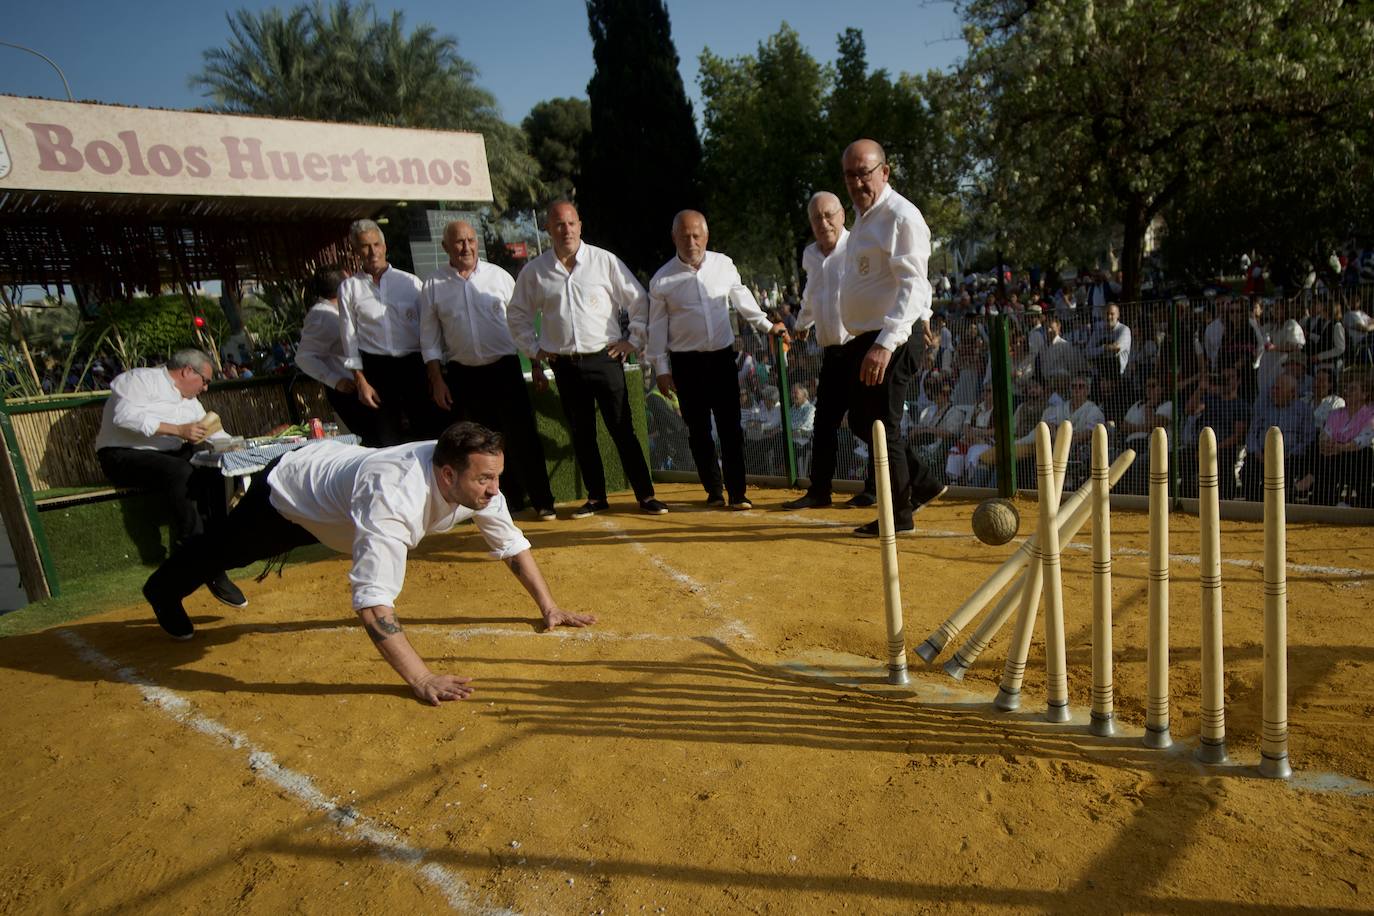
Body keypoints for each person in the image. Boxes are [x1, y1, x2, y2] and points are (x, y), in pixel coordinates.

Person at [141, 422, 596, 704]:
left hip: (341, 500)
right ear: (447, 475)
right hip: (291, 494)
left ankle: (203, 566)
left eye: (497, 476)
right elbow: (373, 603)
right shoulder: (395, 497)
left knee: (226, 551)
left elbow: (512, 546)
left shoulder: (480, 487)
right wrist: (421, 678)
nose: (496, 489)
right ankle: (162, 589)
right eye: (485, 478)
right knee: (225, 550)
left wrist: (549, 606)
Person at [507, 201, 668, 517]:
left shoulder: (603, 261)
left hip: (605, 358)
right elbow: (517, 314)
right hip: (564, 364)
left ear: (580, 225)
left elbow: (637, 300)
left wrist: (632, 341)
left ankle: (646, 495)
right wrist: (534, 349)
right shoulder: (535, 272)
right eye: (558, 224)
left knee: (622, 428)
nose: (565, 230)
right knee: (582, 433)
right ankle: (596, 497)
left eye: (570, 223)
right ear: (548, 229)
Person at [836, 139, 945, 537]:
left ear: (885, 171)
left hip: (890, 336)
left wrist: (887, 341)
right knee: (864, 422)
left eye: (864, 172)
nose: (857, 182)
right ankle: (924, 483)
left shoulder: (901, 216)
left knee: (883, 424)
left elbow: (913, 283)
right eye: (850, 174)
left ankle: (899, 515)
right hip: (867, 336)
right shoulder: (864, 218)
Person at [646, 210, 788, 509]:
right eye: (685, 235)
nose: (691, 241)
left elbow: (743, 301)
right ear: (674, 237)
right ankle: (713, 490)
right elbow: (656, 328)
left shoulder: (724, 265)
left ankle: (738, 492)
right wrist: (660, 368)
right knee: (698, 431)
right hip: (686, 363)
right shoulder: (662, 280)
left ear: (706, 236)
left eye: (697, 235)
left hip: (722, 358)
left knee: (731, 427)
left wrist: (767, 326)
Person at [420, 220, 556, 520]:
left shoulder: (500, 277)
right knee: (477, 447)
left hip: (504, 369)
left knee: (522, 437)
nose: (466, 247)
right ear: (446, 247)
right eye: (458, 242)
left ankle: (543, 501)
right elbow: (429, 339)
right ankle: (502, 506)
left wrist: (535, 363)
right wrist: (437, 380)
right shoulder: (433, 285)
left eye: (470, 240)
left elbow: (521, 325)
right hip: (463, 374)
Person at [96, 348, 246, 609]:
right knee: (181, 471)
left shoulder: (191, 403)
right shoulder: (140, 380)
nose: (206, 388)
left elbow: (213, 434)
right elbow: (123, 417)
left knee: (212, 466)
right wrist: (178, 430)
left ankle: (213, 548)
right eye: (205, 381)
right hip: (121, 455)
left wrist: (241, 446)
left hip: (169, 455)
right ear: (188, 371)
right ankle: (196, 552)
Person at [783, 191, 877, 510]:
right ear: (810, 223)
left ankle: (874, 490)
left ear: (842, 216)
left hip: (860, 346)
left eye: (829, 215)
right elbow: (813, 293)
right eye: (817, 218)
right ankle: (819, 491)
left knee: (866, 423)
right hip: (832, 352)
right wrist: (801, 323)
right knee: (824, 423)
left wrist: (923, 315)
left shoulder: (858, 246)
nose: (824, 223)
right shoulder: (810, 255)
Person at [338, 219, 443, 446]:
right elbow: (349, 337)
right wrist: (360, 381)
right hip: (377, 369)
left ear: (385, 247)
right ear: (356, 250)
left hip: (413, 365)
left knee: (427, 432)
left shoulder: (410, 283)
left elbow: (429, 329)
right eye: (365, 246)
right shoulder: (349, 288)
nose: (372, 252)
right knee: (388, 438)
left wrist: (434, 374)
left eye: (376, 244)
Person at [295, 266, 378, 442]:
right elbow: (304, 357)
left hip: (363, 386)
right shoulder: (321, 315)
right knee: (373, 441)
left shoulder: (340, 310)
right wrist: (335, 380)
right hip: (350, 389)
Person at [1087, 303, 1132, 378]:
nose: (1109, 317)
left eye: (1112, 314)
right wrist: (1104, 348)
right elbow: (1087, 352)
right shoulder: (1098, 330)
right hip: (1100, 374)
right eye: (1107, 314)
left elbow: (1116, 348)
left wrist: (1097, 350)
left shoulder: (1124, 330)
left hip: (1119, 374)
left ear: (1118, 315)